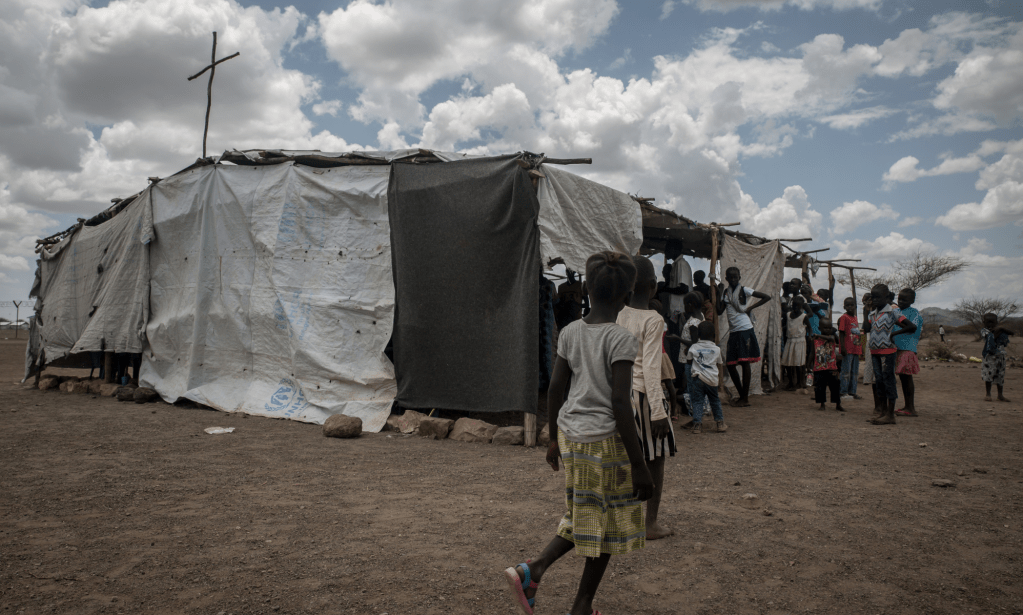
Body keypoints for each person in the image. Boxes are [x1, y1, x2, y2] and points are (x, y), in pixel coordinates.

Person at [504, 251, 653, 615]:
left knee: (585, 513)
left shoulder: (570, 331)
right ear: (627, 295)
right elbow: (620, 402)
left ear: (587, 289)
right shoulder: (621, 338)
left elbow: (556, 389)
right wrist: (639, 464)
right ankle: (561, 589)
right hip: (605, 442)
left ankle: (541, 578)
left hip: (572, 438)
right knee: (606, 522)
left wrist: (554, 438)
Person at [617, 255, 677, 540]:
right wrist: (658, 411)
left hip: (620, 393)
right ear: (653, 286)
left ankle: (621, 519)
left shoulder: (618, 314)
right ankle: (649, 523)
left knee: (625, 457)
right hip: (645, 395)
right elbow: (652, 367)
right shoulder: (654, 319)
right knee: (656, 458)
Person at [715, 266, 770, 407]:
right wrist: (719, 292)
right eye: (730, 277)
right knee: (731, 364)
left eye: (735, 277)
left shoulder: (745, 290)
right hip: (734, 331)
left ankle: (744, 398)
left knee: (744, 363)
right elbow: (719, 311)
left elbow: (766, 297)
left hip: (745, 329)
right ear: (726, 278)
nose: (733, 279)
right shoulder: (726, 293)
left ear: (739, 277)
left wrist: (750, 308)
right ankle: (742, 395)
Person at [863, 283, 917, 425]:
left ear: (886, 297)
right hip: (874, 352)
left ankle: (890, 414)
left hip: (888, 352)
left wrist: (894, 334)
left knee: (888, 381)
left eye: (878, 297)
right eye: (873, 297)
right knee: (879, 382)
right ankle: (883, 412)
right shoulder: (873, 313)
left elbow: (911, 326)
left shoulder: (893, 312)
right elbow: (866, 328)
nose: (874, 300)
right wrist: (865, 311)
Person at [686, 320, 727, 433]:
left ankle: (697, 425)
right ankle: (720, 423)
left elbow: (688, 361)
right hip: (712, 380)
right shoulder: (717, 349)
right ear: (714, 336)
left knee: (697, 401)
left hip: (697, 379)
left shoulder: (693, 347)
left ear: (698, 335)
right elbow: (720, 364)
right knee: (715, 401)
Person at [894, 288, 923, 417]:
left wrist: (896, 327)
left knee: (906, 378)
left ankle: (910, 407)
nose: (900, 301)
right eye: (899, 299)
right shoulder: (897, 312)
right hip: (898, 348)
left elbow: (912, 328)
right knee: (903, 378)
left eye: (904, 300)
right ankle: (907, 406)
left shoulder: (914, 313)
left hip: (907, 348)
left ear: (912, 301)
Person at [981, 312, 1014, 402]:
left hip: (1000, 356)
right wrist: (999, 330)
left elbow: (1012, 333)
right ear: (984, 322)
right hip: (989, 357)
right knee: (989, 375)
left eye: (992, 322)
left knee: (1000, 375)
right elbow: (990, 338)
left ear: (996, 322)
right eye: (988, 322)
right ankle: (988, 394)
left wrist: (1001, 328)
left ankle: (1000, 395)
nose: (990, 324)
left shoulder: (1000, 329)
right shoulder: (984, 331)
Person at [812, 320, 843, 411]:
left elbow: (833, 339)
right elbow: (812, 354)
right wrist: (809, 365)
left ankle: (838, 404)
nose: (828, 330)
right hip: (819, 367)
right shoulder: (815, 341)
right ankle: (822, 404)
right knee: (820, 387)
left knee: (835, 386)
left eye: (829, 328)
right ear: (819, 328)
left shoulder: (832, 337)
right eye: (825, 328)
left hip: (832, 367)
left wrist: (817, 335)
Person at [781, 295, 808, 390]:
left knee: (798, 363)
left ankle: (799, 382)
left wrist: (810, 336)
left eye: (798, 306)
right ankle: (791, 382)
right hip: (790, 341)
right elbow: (784, 325)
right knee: (788, 363)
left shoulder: (804, 316)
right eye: (794, 305)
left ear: (801, 306)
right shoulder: (788, 315)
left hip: (799, 341)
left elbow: (809, 328)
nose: (795, 308)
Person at [837, 297, 862, 400]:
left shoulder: (855, 318)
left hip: (856, 348)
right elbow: (841, 333)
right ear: (844, 307)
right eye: (848, 305)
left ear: (855, 306)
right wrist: (842, 347)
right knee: (846, 371)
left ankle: (852, 391)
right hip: (847, 349)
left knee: (854, 372)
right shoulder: (844, 317)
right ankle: (843, 391)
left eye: (852, 305)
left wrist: (860, 348)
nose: (850, 307)